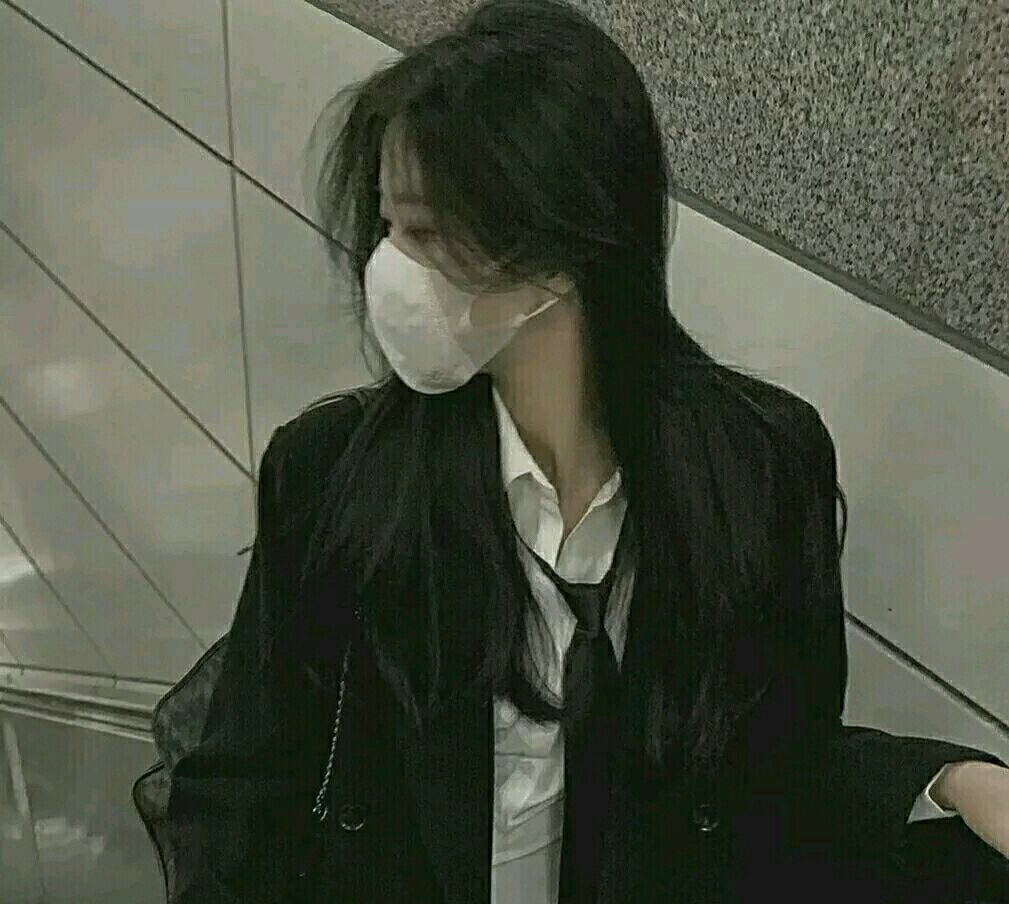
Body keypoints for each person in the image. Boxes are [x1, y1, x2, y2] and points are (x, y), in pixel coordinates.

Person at [133, 1, 1009, 901]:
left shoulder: (758, 468)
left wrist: (951, 778)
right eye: (388, 226)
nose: (389, 269)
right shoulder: (335, 476)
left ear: (560, 236)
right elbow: (239, 799)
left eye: (426, 233)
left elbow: (779, 767)